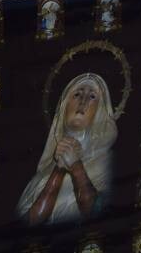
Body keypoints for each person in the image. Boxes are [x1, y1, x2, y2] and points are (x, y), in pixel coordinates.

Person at [16, 73, 118, 226]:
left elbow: (101, 215)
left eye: (92, 97)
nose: (83, 102)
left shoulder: (107, 162)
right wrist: (59, 168)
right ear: (63, 107)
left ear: (100, 111)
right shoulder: (42, 174)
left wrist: (76, 166)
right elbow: (27, 225)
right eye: (77, 94)